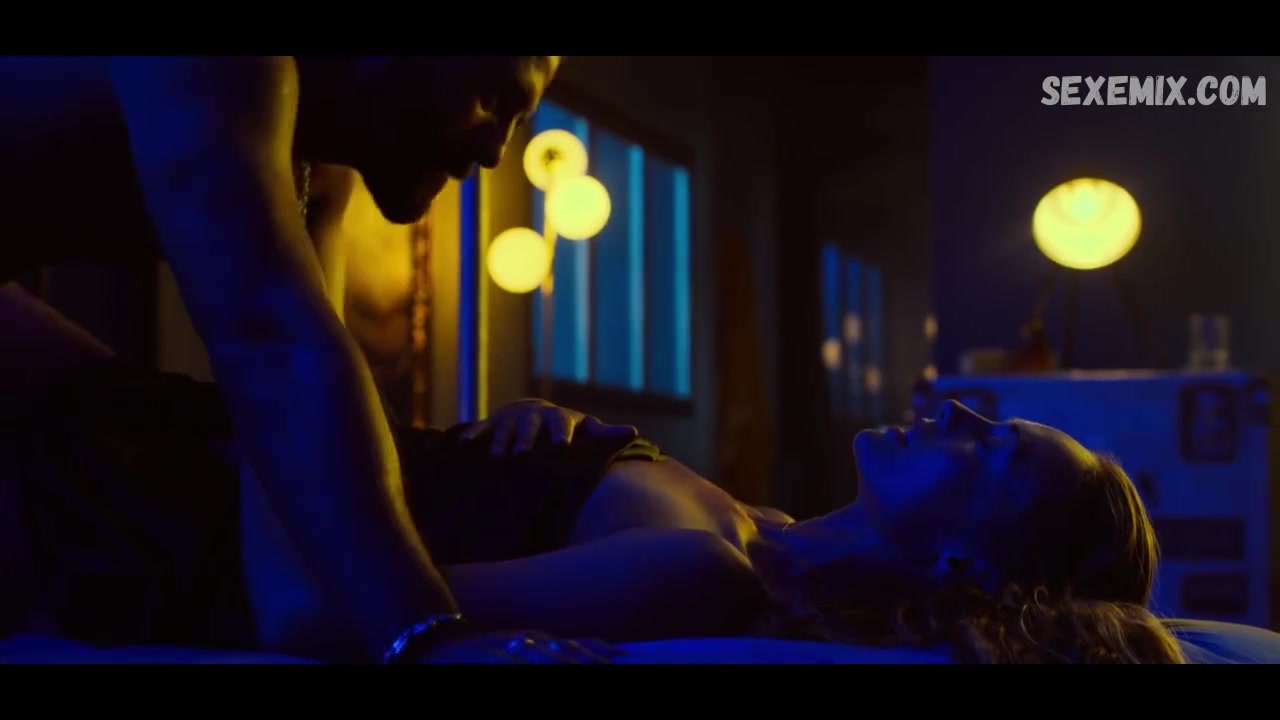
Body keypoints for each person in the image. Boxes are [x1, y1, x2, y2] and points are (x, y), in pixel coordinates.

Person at [1, 290, 1186, 663]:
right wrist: (560, 438)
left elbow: (320, 609)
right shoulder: (754, 525)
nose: (961, 412)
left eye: (993, 449)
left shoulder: (707, 578)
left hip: (146, 507)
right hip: (183, 443)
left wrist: (282, 372)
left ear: (964, 560)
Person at [0, 56, 591, 664]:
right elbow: (274, 348)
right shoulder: (220, 69)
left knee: (115, 420)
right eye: (495, 99)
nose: (495, 152)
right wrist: (429, 636)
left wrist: (379, 619)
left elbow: (293, 568)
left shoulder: (316, 173)